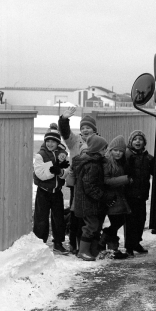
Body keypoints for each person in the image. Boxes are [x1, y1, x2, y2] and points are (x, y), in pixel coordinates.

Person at [58, 107, 97, 253]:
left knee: (90, 216)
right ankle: (73, 244)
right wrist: (63, 120)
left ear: (94, 130)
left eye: (89, 128)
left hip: (92, 185)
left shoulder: (98, 142)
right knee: (76, 215)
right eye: (83, 128)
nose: (86, 130)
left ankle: (89, 244)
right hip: (77, 184)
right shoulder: (74, 141)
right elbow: (65, 132)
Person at [33, 127, 71, 254]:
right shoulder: (40, 155)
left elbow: (66, 172)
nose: (50, 144)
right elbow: (41, 175)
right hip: (43, 191)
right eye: (47, 141)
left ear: (57, 143)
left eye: (53, 141)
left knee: (58, 218)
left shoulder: (62, 154)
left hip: (57, 192)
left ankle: (58, 243)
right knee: (41, 218)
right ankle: (39, 243)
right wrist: (55, 168)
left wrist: (60, 171)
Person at [72, 135, 108, 261]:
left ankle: (91, 250)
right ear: (97, 149)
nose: (105, 151)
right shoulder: (92, 164)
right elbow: (89, 185)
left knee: (94, 224)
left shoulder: (95, 162)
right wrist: (101, 196)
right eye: (103, 149)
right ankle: (83, 251)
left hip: (87, 201)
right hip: (87, 201)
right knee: (91, 225)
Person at [99, 135, 132, 259]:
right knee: (118, 221)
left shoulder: (119, 163)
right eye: (115, 150)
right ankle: (104, 241)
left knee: (118, 221)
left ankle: (113, 248)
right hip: (110, 197)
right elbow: (106, 180)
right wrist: (125, 179)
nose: (118, 153)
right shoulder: (107, 162)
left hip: (117, 196)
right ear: (110, 150)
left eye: (121, 151)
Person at [125, 130, 154, 256]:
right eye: (135, 139)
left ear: (144, 142)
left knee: (141, 220)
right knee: (130, 221)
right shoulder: (126, 156)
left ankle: (136, 242)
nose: (138, 141)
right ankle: (129, 247)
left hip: (142, 195)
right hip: (129, 195)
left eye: (140, 139)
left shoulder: (148, 158)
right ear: (131, 141)